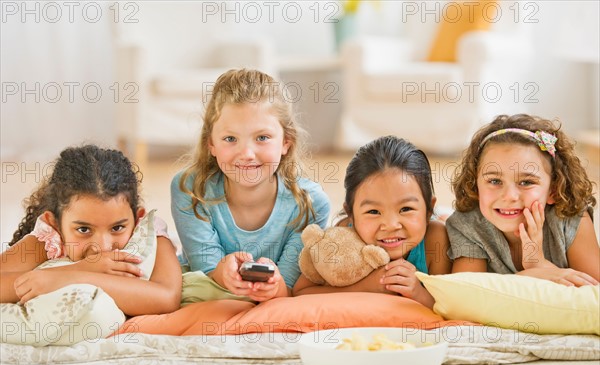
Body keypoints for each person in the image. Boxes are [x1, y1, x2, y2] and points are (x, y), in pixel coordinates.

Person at [171, 69, 330, 303]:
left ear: (286, 142)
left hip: (271, 304)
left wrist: (275, 288)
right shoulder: (191, 189)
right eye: (230, 139)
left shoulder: (310, 203)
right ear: (211, 144)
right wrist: (221, 273)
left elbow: (288, 287)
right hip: (208, 293)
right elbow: (204, 272)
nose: (246, 154)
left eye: (262, 138)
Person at [0, 145, 182, 315]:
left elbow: (167, 298)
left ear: (136, 218)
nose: (102, 247)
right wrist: (78, 269)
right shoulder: (51, 240)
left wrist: (71, 277)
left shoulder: (149, 233)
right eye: (84, 229)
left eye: (117, 228)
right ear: (54, 224)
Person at [293, 135, 452, 308]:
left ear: (429, 209)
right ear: (351, 214)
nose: (391, 225)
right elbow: (301, 292)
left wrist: (418, 293)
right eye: (374, 211)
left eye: (406, 209)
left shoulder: (435, 239)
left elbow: (449, 307)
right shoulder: (345, 235)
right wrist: (366, 287)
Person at [447, 113, 599, 286]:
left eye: (526, 182)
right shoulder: (467, 225)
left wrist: (539, 264)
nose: (510, 196)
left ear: (553, 190)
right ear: (475, 185)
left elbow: (594, 294)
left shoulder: (571, 219)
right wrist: (529, 276)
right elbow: (467, 295)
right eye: (495, 181)